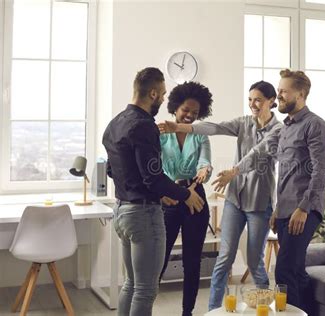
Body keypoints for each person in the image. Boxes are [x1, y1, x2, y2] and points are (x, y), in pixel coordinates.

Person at [159, 81, 282, 311]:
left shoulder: (279, 129)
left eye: (258, 99)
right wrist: (181, 127)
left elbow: (258, 153)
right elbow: (215, 128)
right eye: (250, 99)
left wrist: (231, 171)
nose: (252, 104)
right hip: (235, 200)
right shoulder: (244, 123)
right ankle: (213, 311)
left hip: (258, 203)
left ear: (271, 101)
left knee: (254, 261)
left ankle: (265, 308)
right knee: (223, 260)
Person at [220, 69, 325, 315]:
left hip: (304, 209)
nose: (278, 95)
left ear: (300, 94)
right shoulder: (285, 128)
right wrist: (279, 210)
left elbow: (321, 172)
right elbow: (270, 163)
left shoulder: (315, 126)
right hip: (285, 211)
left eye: (283, 91)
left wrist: (303, 208)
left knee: (284, 271)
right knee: (296, 271)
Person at [102, 67, 204, 316]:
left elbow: (112, 171)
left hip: (122, 210)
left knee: (131, 283)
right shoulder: (144, 125)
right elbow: (154, 177)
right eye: (163, 94)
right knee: (146, 290)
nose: (163, 99)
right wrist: (185, 194)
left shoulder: (115, 123)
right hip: (144, 216)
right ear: (153, 93)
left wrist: (157, 191)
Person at [158, 81, 214, 316]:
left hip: (195, 196)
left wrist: (204, 170)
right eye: (185, 110)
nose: (189, 115)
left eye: (194, 112)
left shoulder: (200, 135)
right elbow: (155, 168)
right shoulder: (160, 133)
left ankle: (187, 312)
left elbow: (205, 162)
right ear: (174, 108)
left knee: (193, 261)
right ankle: (144, 304)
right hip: (169, 197)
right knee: (159, 257)